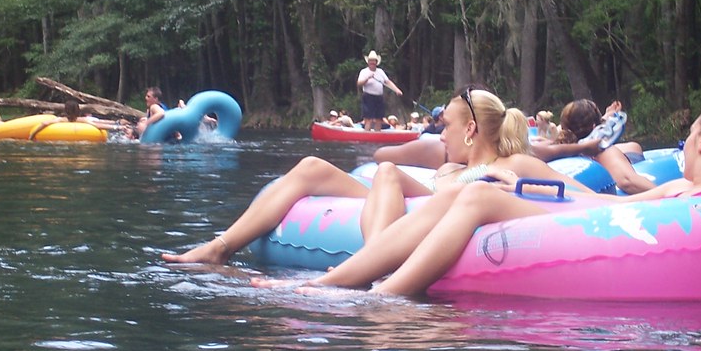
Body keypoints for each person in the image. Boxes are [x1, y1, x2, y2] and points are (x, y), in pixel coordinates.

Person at [263, 100, 701, 297]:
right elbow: (617, 203)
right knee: (482, 189)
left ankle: (378, 296)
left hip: (615, 225)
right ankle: (347, 287)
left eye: (690, 131)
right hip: (598, 216)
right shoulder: (686, 184)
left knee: (476, 199)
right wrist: (538, 184)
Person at [163, 87, 587, 269]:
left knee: (386, 172)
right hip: (413, 208)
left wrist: (649, 197)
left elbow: (578, 197)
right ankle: (219, 248)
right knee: (312, 167)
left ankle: (373, 265)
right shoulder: (445, 161)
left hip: (431, 213)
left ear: (472, 130)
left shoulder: (513, 164)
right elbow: (388, 153)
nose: (444, 134)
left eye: (449, 127)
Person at [531, 99, 655, 194]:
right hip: (619, 163)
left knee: (631, 146)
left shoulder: (558, 145)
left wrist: (608, 115)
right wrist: (670, 193)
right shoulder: (601, 151)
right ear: (595, 126)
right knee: (633, 146)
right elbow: (627, 181)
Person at [357, 50, 402, 132]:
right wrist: (367, 78)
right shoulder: (364, 71)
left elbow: (387, 82)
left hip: (379, 97)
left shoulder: (380, 72)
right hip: (368, 97)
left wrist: (397, 90)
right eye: (370, 61)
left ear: (376, 62)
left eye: (374, 61)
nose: (372, 62)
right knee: (368, 119)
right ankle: (366, 135)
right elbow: (359, 83)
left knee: (379, 119)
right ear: (368, 62)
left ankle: (377, 134)